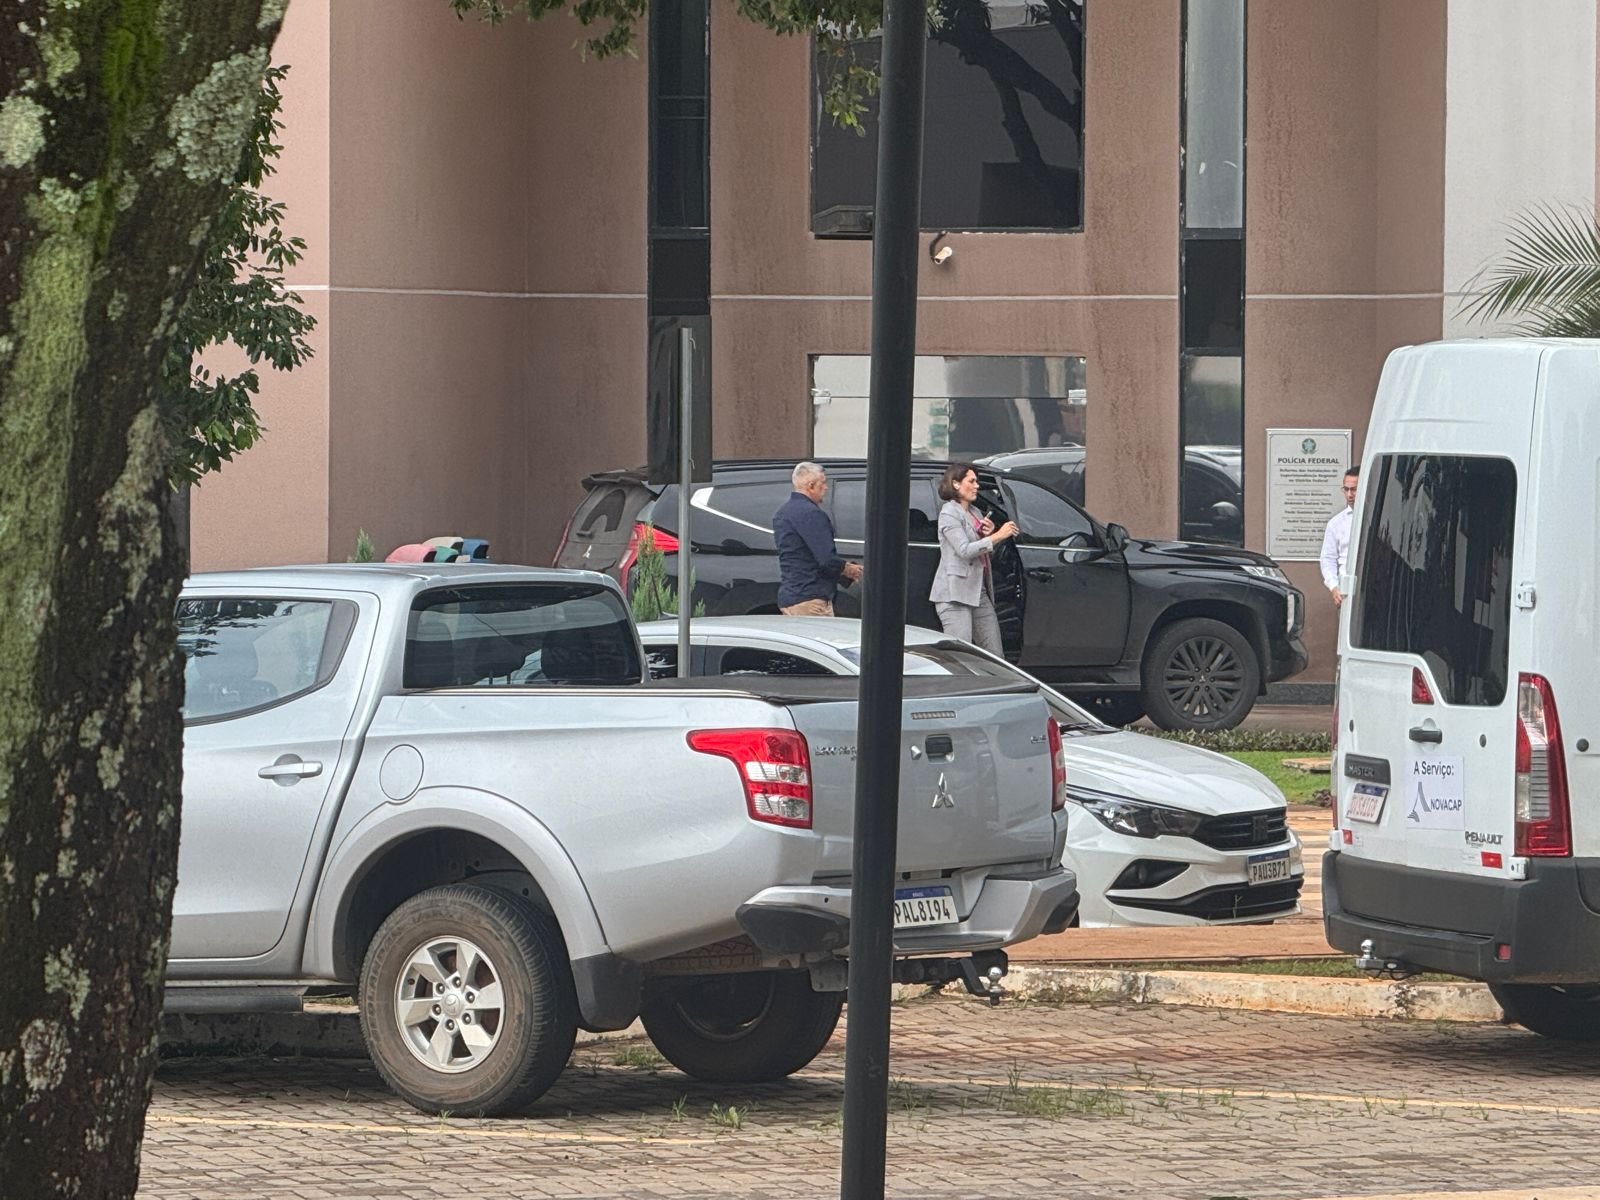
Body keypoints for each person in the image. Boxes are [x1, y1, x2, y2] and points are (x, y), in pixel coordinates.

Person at [929, 462, 1018, 653]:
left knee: (994, 654)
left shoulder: (975, 512)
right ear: (956, 484)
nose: (977, 486)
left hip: (979, 591)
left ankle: (995, 683)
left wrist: (988, 535)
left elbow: (982, 553)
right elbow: (964, 550)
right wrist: (999, 535)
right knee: (962, 655)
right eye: (972, 481)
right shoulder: (949, 513)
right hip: (954, 594)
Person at [773, 462, 862, 616]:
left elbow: (807, 555)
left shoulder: (783, 513)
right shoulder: (812, 514)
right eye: (823, 483)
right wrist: (849, 570)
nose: (826, 488)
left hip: (792, 595)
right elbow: (826, 559)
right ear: (811, 485)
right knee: (819, 639)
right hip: (811, 598)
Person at [1320, 465, 1360, 607]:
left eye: (1354, 489)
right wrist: (1334, 586)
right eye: (1346, 489)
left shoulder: (1378, 519)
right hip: (1347, 591)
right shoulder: (1336, 523)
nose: (1349, 495)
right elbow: (1328, 558)